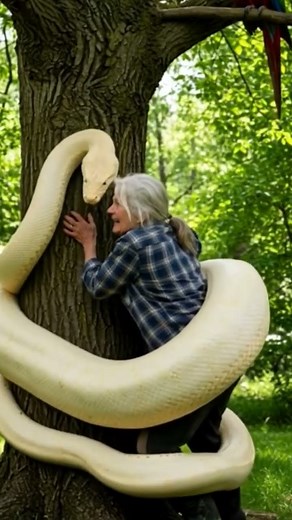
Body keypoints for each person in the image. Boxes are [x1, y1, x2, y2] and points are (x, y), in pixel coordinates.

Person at [63, 173, 245, 520]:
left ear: (138, 210)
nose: (110, 210)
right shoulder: (182, 234)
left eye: (116, 203)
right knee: (207, 440)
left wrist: (89, 245)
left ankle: (202, 514)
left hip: (194, 366)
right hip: (223, 358)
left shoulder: (135, 245)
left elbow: (99, 285)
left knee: (153, 447)